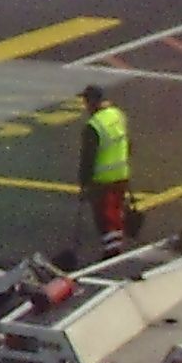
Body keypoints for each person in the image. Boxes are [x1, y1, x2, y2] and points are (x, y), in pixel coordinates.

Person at [75, 84, 132, 252]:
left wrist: (84, 184)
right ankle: (116, 245)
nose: (85, 106)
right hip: (121, 174)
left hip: (102, 180)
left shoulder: (93, 127)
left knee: (104, 218)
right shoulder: (117, 115)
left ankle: (112, 251)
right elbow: (126, 143)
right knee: (115, 213)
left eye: (86, 101)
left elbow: (88, 159)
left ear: (92, 102)